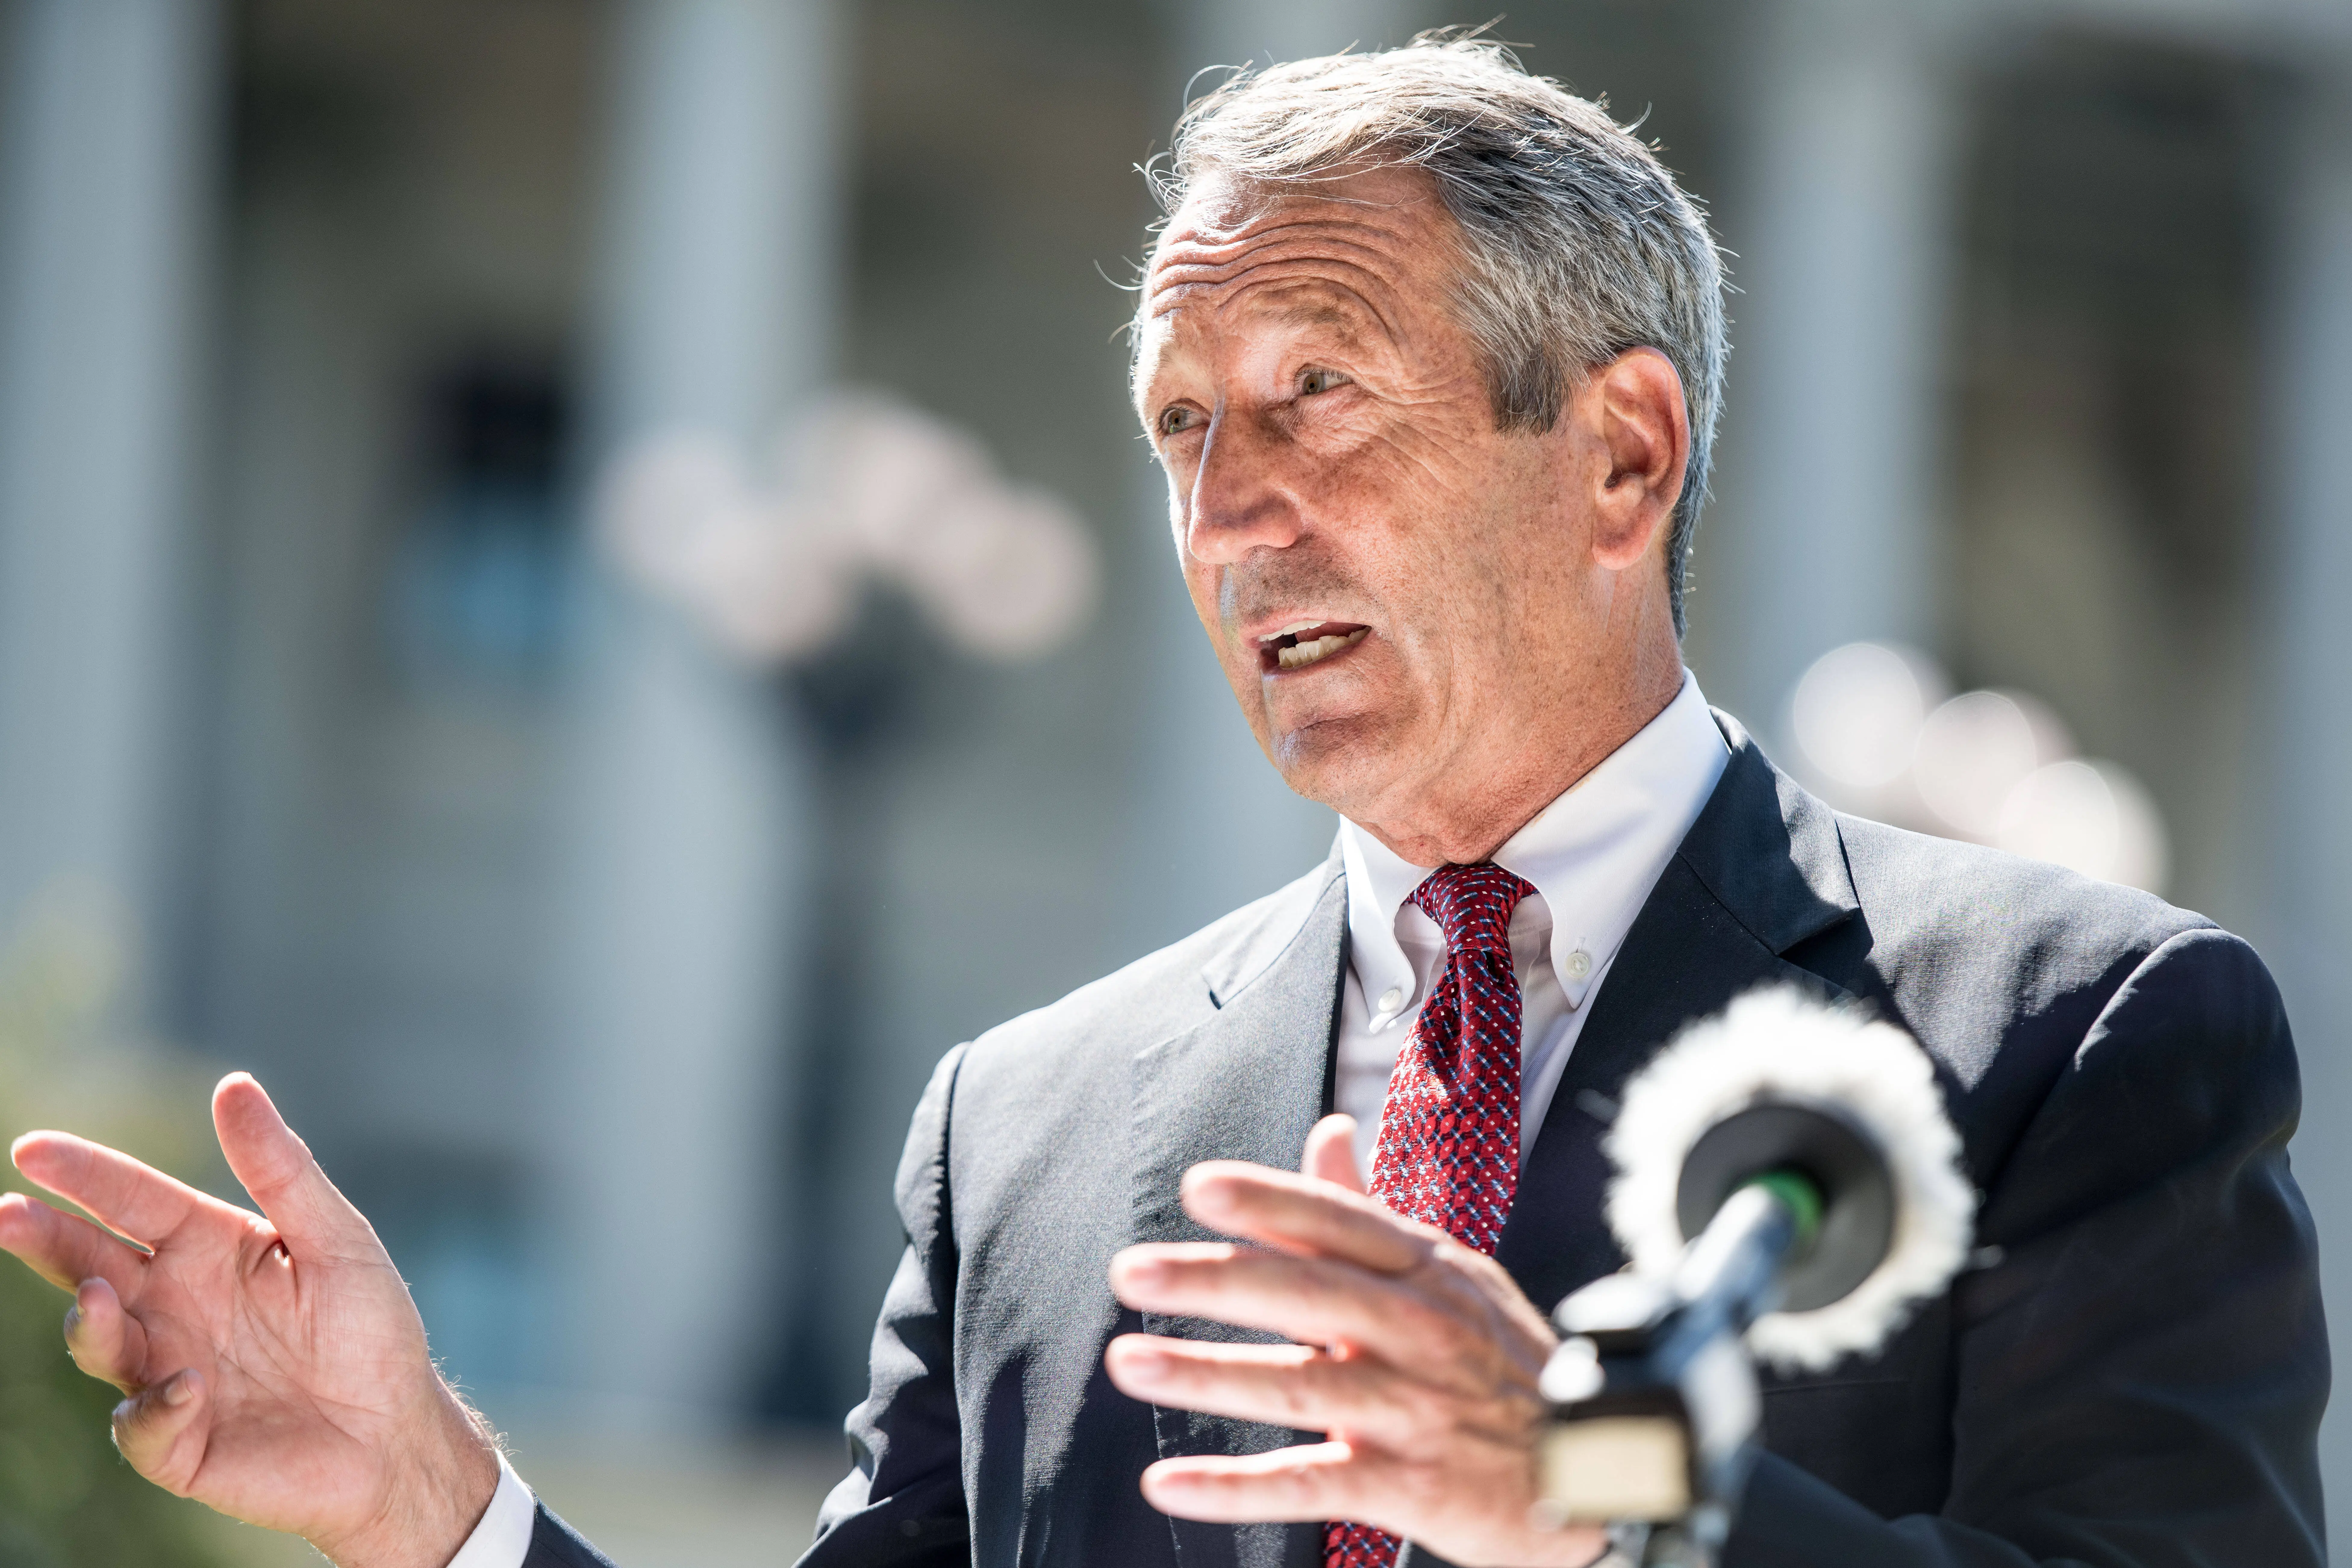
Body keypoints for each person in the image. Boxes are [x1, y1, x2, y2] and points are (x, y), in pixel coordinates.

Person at [0, 36, 2325, 1568]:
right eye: (1187, 430)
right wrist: (441, 1505)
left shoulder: (2070, 1036)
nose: (1232, 518)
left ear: (1621, 456)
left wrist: (1600, 1500)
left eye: (1320, 395)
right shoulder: (1024, 1133)